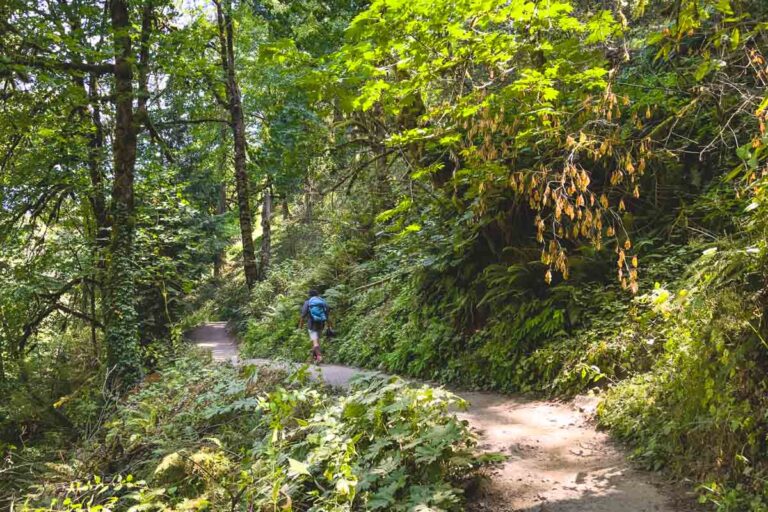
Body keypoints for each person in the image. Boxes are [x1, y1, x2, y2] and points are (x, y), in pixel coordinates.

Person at [299, 289, 331, 363]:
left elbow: (303, 315)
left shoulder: (308, 302)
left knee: (315, 342)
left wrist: (300, 326)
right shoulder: (322, 302)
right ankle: (314, 358)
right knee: (317, 341)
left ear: (309, 295)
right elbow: (327, 314)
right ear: (317, 295)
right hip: (321, 324)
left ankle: (319, 357)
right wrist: (329, 325)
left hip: (311, 324)